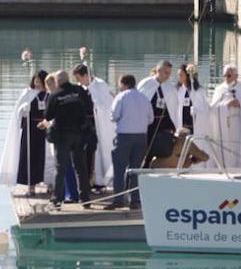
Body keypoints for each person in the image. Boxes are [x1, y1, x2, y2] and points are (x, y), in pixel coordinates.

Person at [39, 70, 95, 208]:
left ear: (57, 81)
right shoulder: (80, 91)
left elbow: (48, 115)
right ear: (68, 78)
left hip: (62, 136)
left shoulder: (55, 95)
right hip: (79, 135)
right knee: (81, 167)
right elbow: (89, 108)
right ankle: (85, 198)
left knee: (61, 168)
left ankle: (57, 199)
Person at [0, 70, 51, 194]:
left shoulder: (49, 93)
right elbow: (18, 112)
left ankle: (48, 182)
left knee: (47, 156)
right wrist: (23, 109)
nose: (37, 83)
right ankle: (31, 185)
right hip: (31, 129)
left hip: (46, 128)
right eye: (35, 81)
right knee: (30, 156)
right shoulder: (28, 93)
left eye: (39, 81)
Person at [107, 73, 154, 209]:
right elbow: (151, 119)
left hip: (124, 136)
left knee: (119, 169)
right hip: (141, 137)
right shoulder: (144, 98)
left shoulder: (121, 96)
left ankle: (119, 200)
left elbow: (113, 116)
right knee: (136, 170)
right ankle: (135, 200)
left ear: (123, 84)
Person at [206, 64, 241, 171]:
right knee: (226, 147)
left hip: (238, 123)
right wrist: (227, 105)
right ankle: (224, 167)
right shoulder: (219, 89)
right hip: (224, 123)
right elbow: (213, 109)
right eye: (225, 75)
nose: (227, 78)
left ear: (236, 76)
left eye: (229, 75)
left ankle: (240, 168)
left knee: (237, 146)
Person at [72, 64, 115, 191]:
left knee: (98, 153)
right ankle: (88, 181)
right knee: (86, 154)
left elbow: (106, 104)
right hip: (85, 126)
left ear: (86, 75)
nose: (78, 81)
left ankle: (99, 180)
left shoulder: (100, 85)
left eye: (79, 78)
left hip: (98, 125)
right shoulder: (80, 88)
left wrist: (96, 108)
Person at [137, 60, 181, 162]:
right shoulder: (146, 83)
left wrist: (175, 126)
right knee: (145, 149)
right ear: (158, 70)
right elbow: (139, 103)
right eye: (166, 73)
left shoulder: (170, 88)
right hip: (148, 124)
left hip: (163, 124)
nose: (168, 76)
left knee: (161, 149)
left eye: (169, 73)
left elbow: (173, 108)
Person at [176, 64, 209, 134]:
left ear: (187, 75)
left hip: (195, 124)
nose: (179, 77)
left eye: (181, 75)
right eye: (178, 75)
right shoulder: (178, 90)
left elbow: (205, 108)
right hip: (182, 126)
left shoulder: (199, 90)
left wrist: (197, 111)